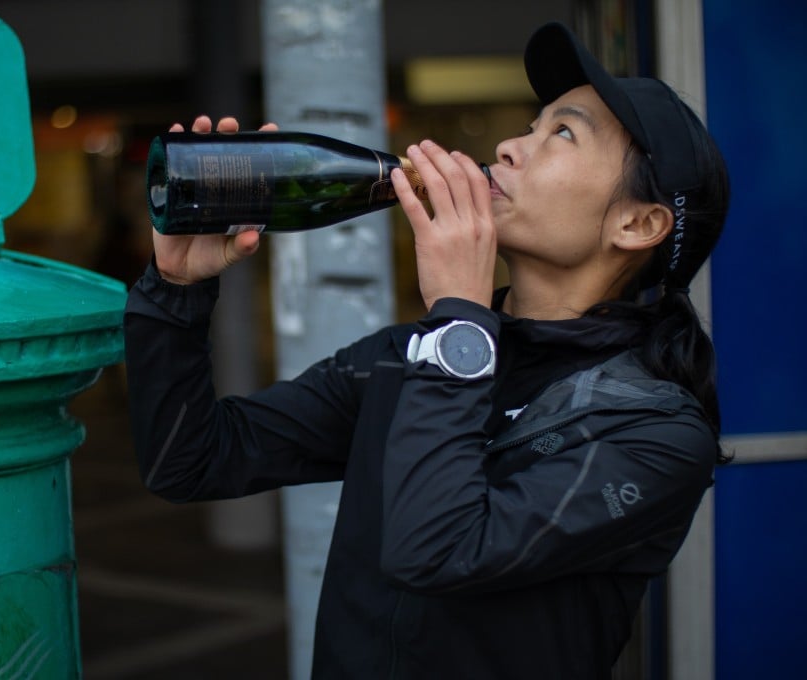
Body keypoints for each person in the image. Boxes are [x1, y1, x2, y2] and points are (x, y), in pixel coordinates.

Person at [123, 20, 730, 680]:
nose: (509, 146)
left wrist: (459, 326)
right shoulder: (406, 355)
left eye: (562, 132)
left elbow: (438, 551)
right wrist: (176, 293)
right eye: (532, 125)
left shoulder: (655, 434)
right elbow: (191, 460)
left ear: (637, 224)